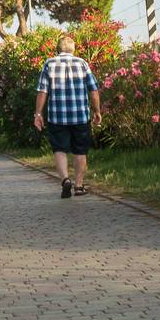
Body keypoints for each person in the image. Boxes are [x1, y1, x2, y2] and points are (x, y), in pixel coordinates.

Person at [33, 34, 100, 198]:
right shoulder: (82, 63)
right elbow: (93, 89)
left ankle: (65, 180)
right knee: (80, 151)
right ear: (73, 49)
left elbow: (43, 91)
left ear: (58, 49)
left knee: (59, 149)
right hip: (81, 116)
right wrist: (97, 110)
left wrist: (38, 114)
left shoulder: (49, 63)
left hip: (57, 117)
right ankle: (78, 185)